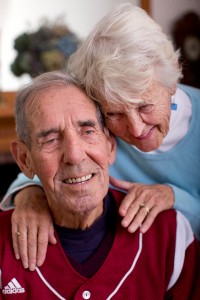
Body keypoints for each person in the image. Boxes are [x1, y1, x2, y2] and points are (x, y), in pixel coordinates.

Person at [1, 3, 200, 268]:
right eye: (114, 114)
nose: (136, 130)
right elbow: (35, 168)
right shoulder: (97, 137)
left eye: (144, 107)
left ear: (172, 78)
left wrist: (175, 197)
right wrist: (31, 196)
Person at [0, 70, 199, 299]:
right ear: (25, 159)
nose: (74, 155)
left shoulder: (170, 236)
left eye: (88, 131)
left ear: (111, 146)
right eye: (51, 140)